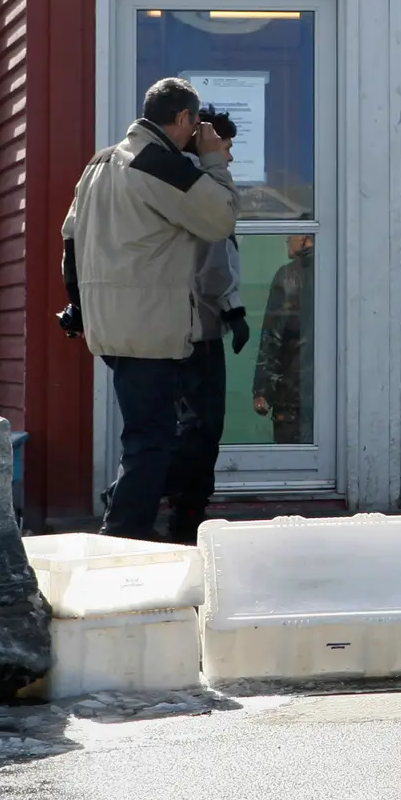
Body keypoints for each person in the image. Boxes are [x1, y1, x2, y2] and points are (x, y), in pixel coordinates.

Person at [61, 77, 238, 540]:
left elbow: (70, 240)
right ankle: (123, 535)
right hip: (151, 325)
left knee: (151, 436)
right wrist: (214, 161)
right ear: (183, 118)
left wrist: (79, 306)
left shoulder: (98, 164)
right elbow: (220, 217)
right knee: (152, 441)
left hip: (111, 324)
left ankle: (130, 526)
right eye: (194, 122)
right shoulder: (157, 162)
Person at [169, 111, 249, 543]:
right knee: (202, 427)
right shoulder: (205, 187)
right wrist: (233, 309)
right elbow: (215, 262)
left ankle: (175, 504)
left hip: (172, 325)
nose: (230, 155)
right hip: (199, 327)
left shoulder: (173, 179)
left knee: (182, 425)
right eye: (226, 145)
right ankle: (182, 510)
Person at [252, 234, 314, 444]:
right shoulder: (341, 270)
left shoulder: (288, 276)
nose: (287, 239)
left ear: (305, 236)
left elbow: (272, 338)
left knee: (293, 460)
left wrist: (262, 390)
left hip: (292, 390)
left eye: (292, 232)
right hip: (333, 390)